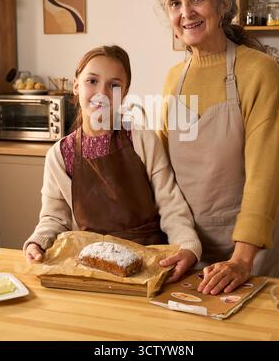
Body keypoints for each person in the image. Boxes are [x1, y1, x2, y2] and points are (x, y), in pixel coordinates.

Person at [155, 0, 279, 294]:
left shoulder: (258, 71)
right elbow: (161, 170)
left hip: (245, 249)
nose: (186, 12)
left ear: (222, 4)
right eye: (175, 3)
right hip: (186, 246)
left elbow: (265, 172)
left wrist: (242, 259)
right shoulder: (173, 78)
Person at [24, 45, 202, 282]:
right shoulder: (59, 155)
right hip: (89, 267)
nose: (102, 93)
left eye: (114, 85)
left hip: (149, 262)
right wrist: (38, 242)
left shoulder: (142, 140)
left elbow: (171, 206)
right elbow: (54, 218)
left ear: (125, 94)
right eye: (92, 81)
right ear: (76, 85)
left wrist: (187, 246)